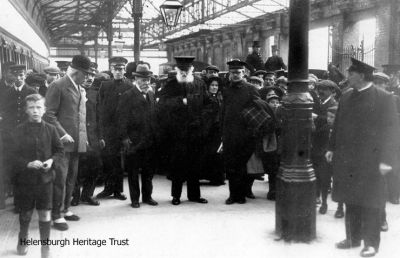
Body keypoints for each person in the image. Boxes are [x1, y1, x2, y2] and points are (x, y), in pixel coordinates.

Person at [326, 58, 400, 257]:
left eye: (351, 73)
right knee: (350, 200)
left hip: (373, 162)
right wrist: (331, 147)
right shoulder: (346, 97)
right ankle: (352, 238)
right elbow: (337, 125)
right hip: (347, 160)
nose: (347, 76)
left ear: (362, 76)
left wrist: (387, 161)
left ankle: (371, 244)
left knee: (371, 203)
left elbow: (392, 133)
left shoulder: (384, 98)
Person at [12, 94, 64, 258]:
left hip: (45, 180)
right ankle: (23, 240)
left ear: (44, 110)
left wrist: (51, 161)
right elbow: (11, 155)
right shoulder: (18, 131)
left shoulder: (51, 129)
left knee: (44, 213)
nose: (35, 111)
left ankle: (45, 247)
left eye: (39, 107)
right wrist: (26, 163)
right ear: (26, 110)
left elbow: (60, 151)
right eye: (32, 108)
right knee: (25, 213)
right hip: (25, 181)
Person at [44, 55, 92, 231]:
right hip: (61, 143)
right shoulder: (58, 86)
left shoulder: (79, 87)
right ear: (76, 72)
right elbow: (48, 114)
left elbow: (79, 117)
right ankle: (56, 215)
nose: (87, 77)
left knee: (71, 178)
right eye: (85, 74)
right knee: (60, 180)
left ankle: (65, 210)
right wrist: (62, 134)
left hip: (77, 142)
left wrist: (83, 137)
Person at [157, 56, 209, 205]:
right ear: (177, 70)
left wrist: (201, 120)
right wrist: (181, 102)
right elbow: (162, 105)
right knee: (178, 165)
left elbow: (209, 104)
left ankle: (194, 195)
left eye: (187, 70)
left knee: (195, 164)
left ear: (192, 70)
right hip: (177, 132)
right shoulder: (171, 84)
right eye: (181, 70)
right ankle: (176, 196)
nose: (184, 72)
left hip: (195, 131)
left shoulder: (200, 84)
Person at [118, 64, 158, 208]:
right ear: (135, 79)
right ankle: (135, 199)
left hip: (149, 140)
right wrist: (124, 138)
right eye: (142, 79)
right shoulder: (127, 95)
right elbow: (121, 119)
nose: (146, 82)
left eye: (147, 79)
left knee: (148, 171)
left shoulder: (151, 95)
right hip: (134, 140)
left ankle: (147, 197)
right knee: (133, 171)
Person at [222, 59, 261, 204]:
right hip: (230, 134)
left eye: (238, 72)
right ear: (229, 74)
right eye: (233, 73)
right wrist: (223, 131)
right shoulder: (226, 89)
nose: (235, 75)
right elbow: (223, 111)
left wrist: (252, 131)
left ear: (243, 73)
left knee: (243, 166)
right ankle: (233, 195)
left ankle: (242, 194)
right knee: (231, 166)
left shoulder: (251, 89)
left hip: (246, 134)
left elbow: (258, 110)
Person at [0, 64, 37, 208]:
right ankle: (17, 202)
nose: (19, 78)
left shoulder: (31, 92)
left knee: (27, 168)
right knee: (14, 168)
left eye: (21, 75)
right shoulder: (6, 93)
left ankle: (27, 201)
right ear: (12, 76)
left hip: (27, 136)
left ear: (25, 76)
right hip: (10, 136)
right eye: (16, 75)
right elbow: (3, 112)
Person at [96, 57, 132, 201]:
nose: (118, 72)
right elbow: (100, 108)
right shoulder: (105, 85)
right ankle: (107, 189)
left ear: (124, 70)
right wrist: (101, 131)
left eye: (121, 69)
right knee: (107, 161)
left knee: (119, 162)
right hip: (108, 130)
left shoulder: (129, 85)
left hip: (122, 130)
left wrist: (127, 132)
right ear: (111, 70)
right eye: (115, 69)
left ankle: (118, 191)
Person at [71, 70, 104, 207]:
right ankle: (75, 196)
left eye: (92, 75)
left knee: (95, 166)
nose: (89, 78)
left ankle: (88, 195)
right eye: (87, 75)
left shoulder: (96, 93)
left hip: (94, 137)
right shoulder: (73, 91)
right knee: (77, 168)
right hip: (78, 136)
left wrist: (101, 136)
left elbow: (100, 117)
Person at [311, 80, 338, 214]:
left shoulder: (333, 104)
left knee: (324, 175)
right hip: (316, 143)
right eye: (319, 88)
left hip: (327, 144)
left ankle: (324, 202)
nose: (320, 91)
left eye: (324, 89)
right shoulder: (318, 101)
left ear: (332, 92)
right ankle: (317, 197)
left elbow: (332, 121)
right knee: (316, 173)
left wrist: (316, 117)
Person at [201, 76, 225, 186]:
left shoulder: (220, 98)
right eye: (212, 85)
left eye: (216, 85)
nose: (214, 87)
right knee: (206, 153)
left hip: (217, 129)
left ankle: (216, 178)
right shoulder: (204, 98)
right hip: (207, 129)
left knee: (217, 154)